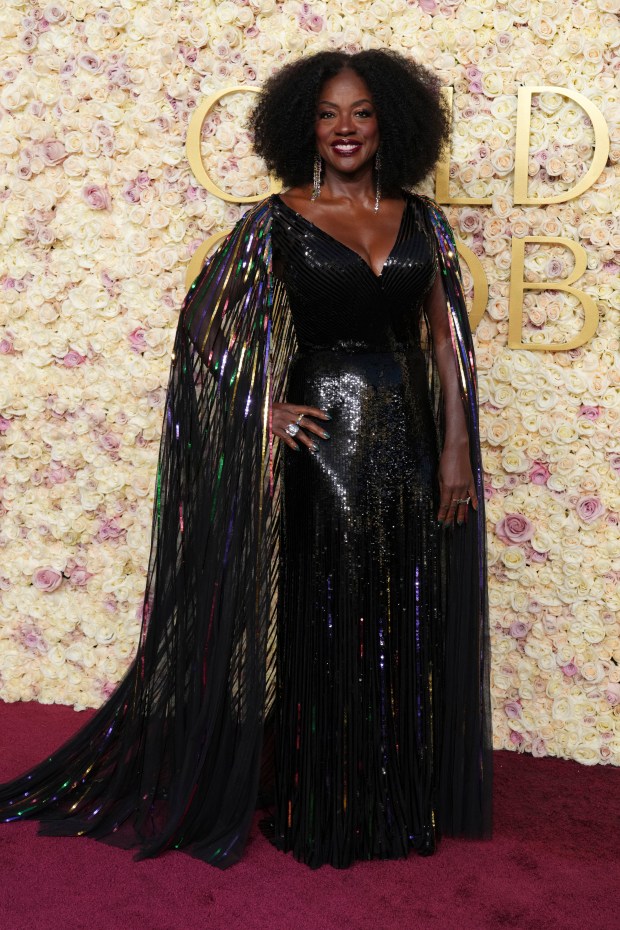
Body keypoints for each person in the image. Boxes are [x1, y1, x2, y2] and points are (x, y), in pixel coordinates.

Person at [0, 49, 492, 870]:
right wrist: (259, 405)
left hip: (409, 437)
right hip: (324, 441)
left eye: (362, 112)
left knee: (402, 610)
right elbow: (200, 327)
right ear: (303, 123)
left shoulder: (424, 220)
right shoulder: (275, 219)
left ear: (391, 124)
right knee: (329, 611)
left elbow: (444, 344)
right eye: (329, 113)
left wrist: (455, 455)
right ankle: (320, 802)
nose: (344, 128)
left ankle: (393, 797)